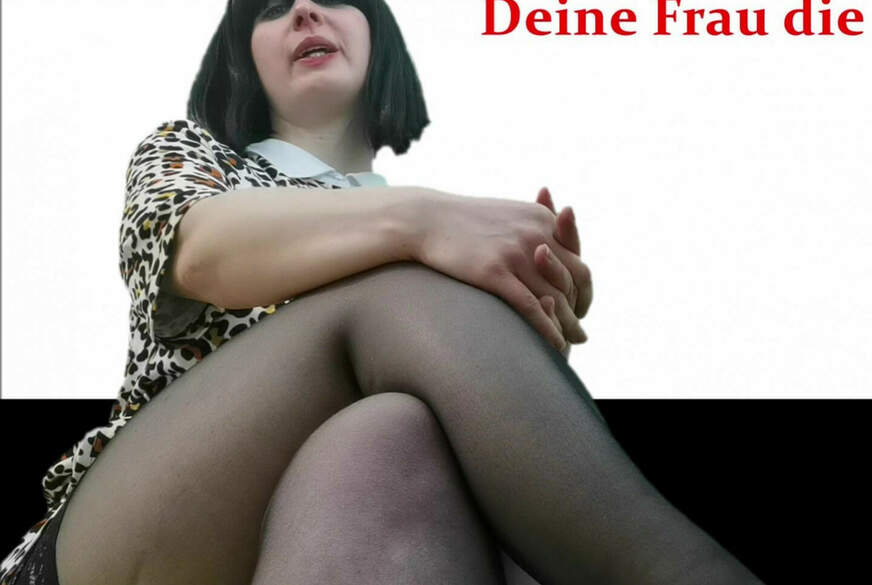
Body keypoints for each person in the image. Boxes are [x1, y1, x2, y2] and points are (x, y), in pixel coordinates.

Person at [1, 1, 766, 584]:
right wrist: (423, 221)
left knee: (391, 435)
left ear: (380, 41)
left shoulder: (452, 244)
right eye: (272, 7)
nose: (305, 10)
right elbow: (200, 254)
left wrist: (531, 327)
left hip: (349, 526)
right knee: (402, 295)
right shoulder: (193, 154)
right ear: (243, 59)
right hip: (126, 539)